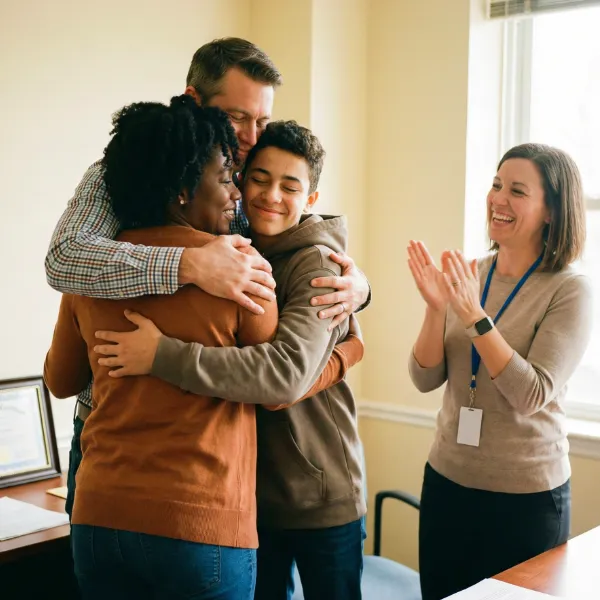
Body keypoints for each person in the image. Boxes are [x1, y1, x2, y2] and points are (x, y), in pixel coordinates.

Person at [43, 97, 362, 600]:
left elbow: (60, 382)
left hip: (100, 514)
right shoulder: (243, 267)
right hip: (201, 521)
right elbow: (278, 384)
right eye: (227, 177)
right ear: (185, 190)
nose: (237, 191)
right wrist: (349, 351)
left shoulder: (95, 269)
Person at [407, 143, 593, 600]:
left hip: (525, 501)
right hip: (448, 484)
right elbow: (425, 378)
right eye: (495, 185)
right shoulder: (472, 273)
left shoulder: (571, 291)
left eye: (517, 190)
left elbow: (531, 393)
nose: (498, 199)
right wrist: (436, 310)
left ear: (552, 210)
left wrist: (474, 317)